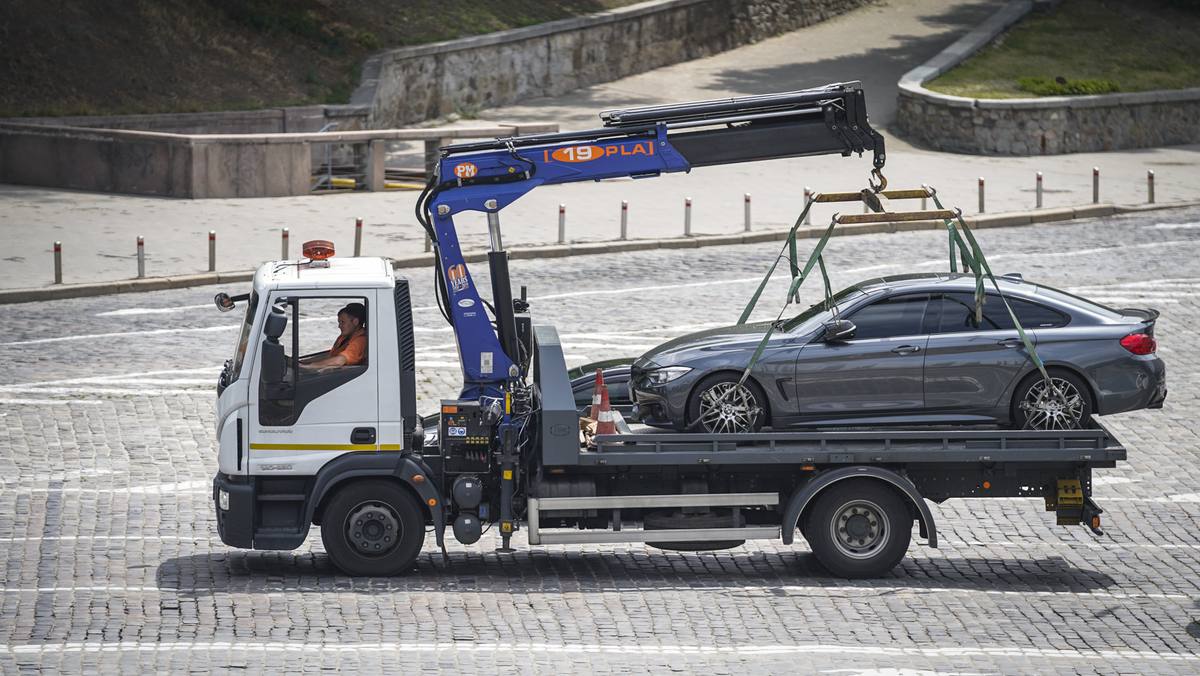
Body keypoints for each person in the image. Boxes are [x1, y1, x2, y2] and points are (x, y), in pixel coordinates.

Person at [302, 303, 367, 368]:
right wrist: (304, 362)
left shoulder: (360, 341)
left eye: (342, 322)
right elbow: (331, 356)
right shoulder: (344, 337)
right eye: (339, 322)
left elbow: (340, 360)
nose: (339, 326)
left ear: (355, 322)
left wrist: (310, 366)